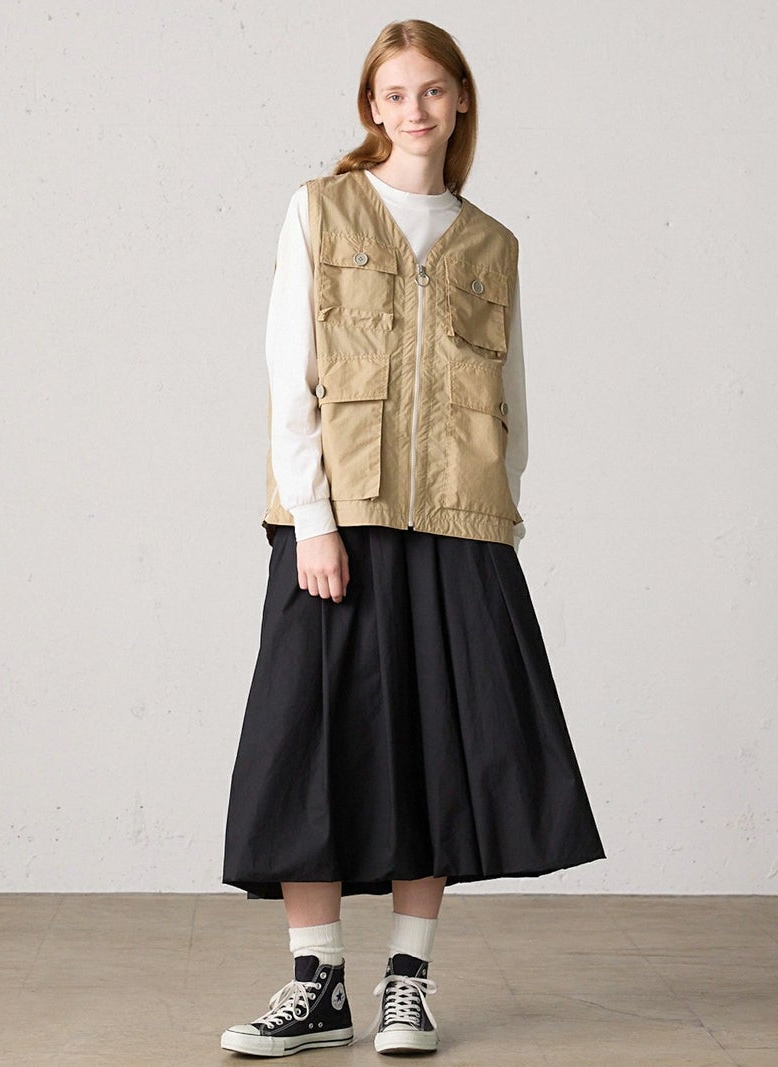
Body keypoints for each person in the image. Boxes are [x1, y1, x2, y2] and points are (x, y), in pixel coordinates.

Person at [221, 18, 606, 1059]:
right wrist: (312, 519)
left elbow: (511, 397)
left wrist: (496, 517)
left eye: (432, 90)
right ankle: (316, 986)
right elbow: (289, 372)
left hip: (458, 525)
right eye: (394, 94)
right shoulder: (321, 208)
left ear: (460, 99)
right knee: (307, 748)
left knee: (433, 752)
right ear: (371, 107)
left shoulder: (491, 244)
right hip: (336, 521)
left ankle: (406, 982)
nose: (414, 110)